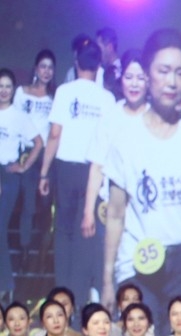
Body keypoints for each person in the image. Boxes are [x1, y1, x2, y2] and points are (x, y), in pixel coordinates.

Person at [100, 28, 181, 332]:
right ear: (147, 74)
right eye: (164, 70)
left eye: (180, 73)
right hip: (138, 262)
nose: (172, 81)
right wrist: (107, 278)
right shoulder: (126, 140)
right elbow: (115, 215)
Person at [38, 38, 116, 306]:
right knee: (87, 232)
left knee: (64, 231)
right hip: (94, 171)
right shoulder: (107, 98)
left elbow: (54, 134)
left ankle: (63, 295)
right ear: (98, 66)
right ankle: (81, 298)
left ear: (76, 62)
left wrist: (44, 172)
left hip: (66, 168)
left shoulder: (64, 91)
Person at [80, 49, 149, 309]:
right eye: (129, 77)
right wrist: (88, 210)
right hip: (111, 211)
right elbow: (97, 165)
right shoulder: (110, 117)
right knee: (110, 273)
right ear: (121, 80)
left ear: (149, 81)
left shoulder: (156, 118)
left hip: (146, 211)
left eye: (140, 78)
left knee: (143, 276)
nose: (134, 83)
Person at [0, 68, 44, 304]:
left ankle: (6, 285)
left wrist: (24, 166)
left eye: (8, 86)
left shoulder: (18, 116)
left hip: (8, 175)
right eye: (0, 86)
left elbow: (38, 142)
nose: (4, 90)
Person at [13, 50, 56, 270]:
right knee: (28, 204)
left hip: (47, 156)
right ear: (36, 68)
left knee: (46, 207)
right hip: (28, 152)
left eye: (50, 67)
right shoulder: (22, 92)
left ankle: (42, 253)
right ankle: (25, 251)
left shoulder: (55, 97)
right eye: (43, 66)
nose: (46, 71)